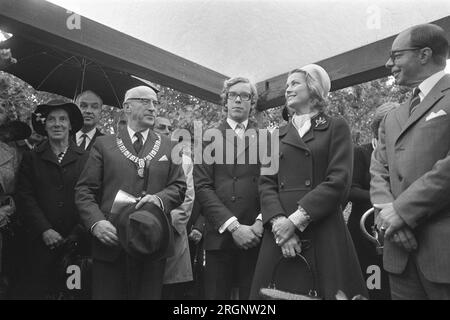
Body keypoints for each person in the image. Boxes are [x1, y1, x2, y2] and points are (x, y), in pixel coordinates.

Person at [250, 64, 367, 300]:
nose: (288, 90)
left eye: (295, 84)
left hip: (323, 232)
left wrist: (295, 221)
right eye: (286, 86)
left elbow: (339, 181)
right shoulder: (275, 136)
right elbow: (266, 184)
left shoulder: (337, 127)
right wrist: (280, 224)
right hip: (279, 235)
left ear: (313, 88)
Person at [75, 86, 186, 300]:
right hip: (110, 242)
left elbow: (179, 187)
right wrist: (97, 223)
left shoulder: (170, 146)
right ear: (127, 107)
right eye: (145, 102)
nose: (152, 108)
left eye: (155, 103)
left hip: (151, 244)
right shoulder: (103, 144)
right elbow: (84, 190)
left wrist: (159, 199)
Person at [370, 23, 450, 300]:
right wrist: (388, 216)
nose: (388, 63)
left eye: (396, 55)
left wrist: (402, 212)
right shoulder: (392, 117)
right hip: (399, 254)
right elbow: (378, 169)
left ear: (424, 54)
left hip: (443, 253)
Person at [194, 77, 263, 300]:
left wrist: (259, 224)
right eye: (233, 95)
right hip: (220, 236)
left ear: (252, 103)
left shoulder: (267, 139)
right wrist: (233, 227)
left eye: (245, 96)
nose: (238, 100)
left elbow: (272, 185)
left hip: (255, 236)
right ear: (225, 101)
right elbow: (202, 186)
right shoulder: (207, 138)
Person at [15, 99, 87, 299]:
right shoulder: (31, 158)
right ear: (44, 125)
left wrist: (77, 234)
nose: (57, 124)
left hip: (76, 247)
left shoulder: (86, 158)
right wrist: (45, 230)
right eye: (52, 119)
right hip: (39, 245)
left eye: (63, 119)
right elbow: (25, 197)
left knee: (73, 293)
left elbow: (92, 196)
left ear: (71, 125)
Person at [347, 102, 398, 300]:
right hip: (365, 232)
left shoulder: (401, 152)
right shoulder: (361, 152)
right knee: (372, 286)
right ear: (376, 128)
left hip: (395, 229)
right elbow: (350, 190)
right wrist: (384, 200)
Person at [154, 126, 195, 299]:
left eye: (169, 128)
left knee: (170, 293)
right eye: (160, 127)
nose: (165, 130)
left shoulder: (183, 160)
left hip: (172, 236)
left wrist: (161, 226)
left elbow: (187, 198)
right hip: (140, 235)